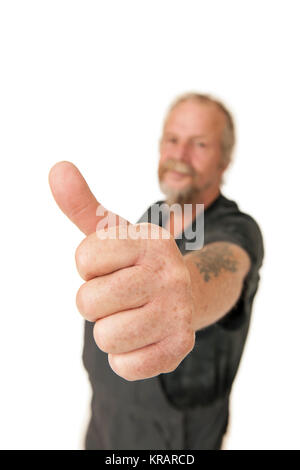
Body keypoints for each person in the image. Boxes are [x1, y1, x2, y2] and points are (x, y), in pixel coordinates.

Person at [48, 92, 264, 450]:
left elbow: (225, 267)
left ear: (224, 161)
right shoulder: (152, 218)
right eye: (173, 140)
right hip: (103, 433)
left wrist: (188, 292)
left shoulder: (238, 230)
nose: (180, 155)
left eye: (199, 144)